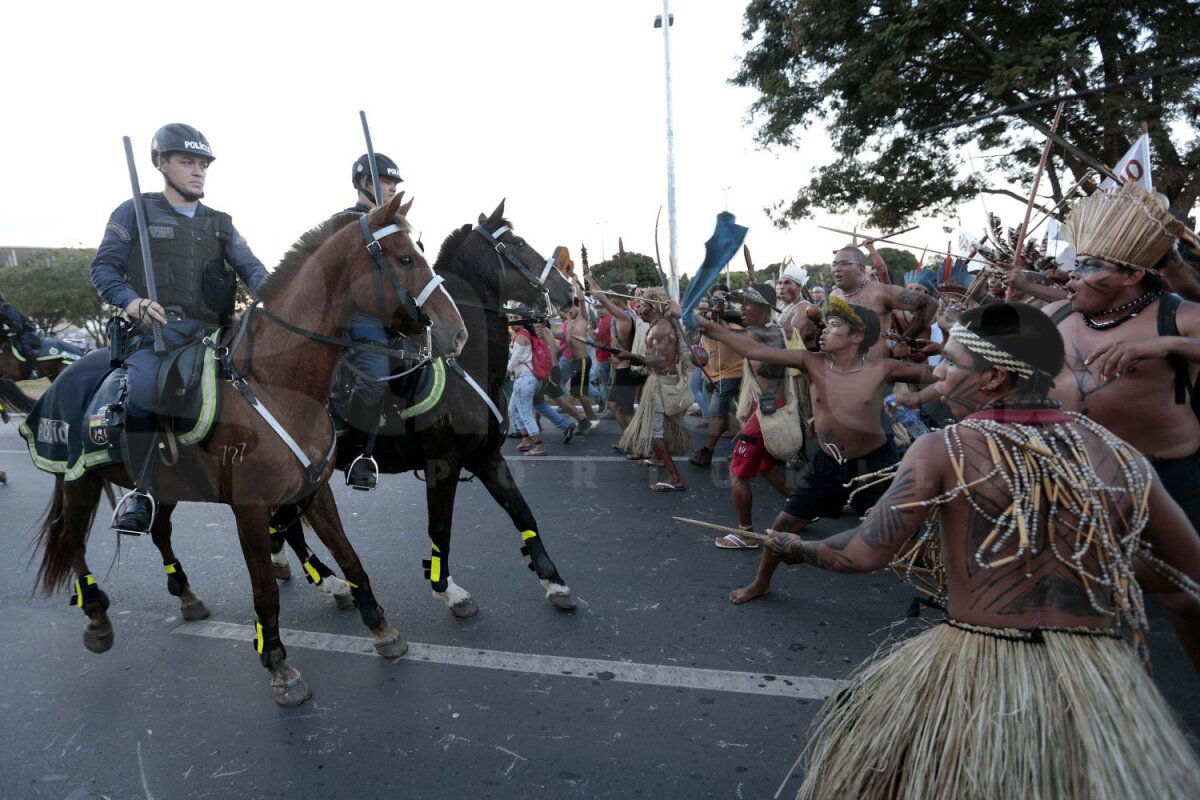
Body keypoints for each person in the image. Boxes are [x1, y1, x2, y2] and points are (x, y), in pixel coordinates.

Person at [769, 302, 1200, 799]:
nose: (941, 374)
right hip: (1095, 686)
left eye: (951, 362)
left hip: (978, 669)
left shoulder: (945, 448)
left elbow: (863, 554)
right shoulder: (1120, 457)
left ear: (994, 377)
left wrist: (796, 548)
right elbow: (1187, 589)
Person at [1043, 182, 1200, 670]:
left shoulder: (1179, 317)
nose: (1073, 276)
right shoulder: (1055, 314)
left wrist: (1168, 346)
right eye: (1078, 263)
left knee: (1186, 597)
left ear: (1133, 272)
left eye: (1090, 266)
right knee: (1072, 591)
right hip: (1075, 473)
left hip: (1165, 475)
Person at [90, 123, 268, 535]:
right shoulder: (133, 211)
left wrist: (274, 294)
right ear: (161, 163)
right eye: (187, 162)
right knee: (146, 391)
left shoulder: (221, 223)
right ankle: (143, 490)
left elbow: (254, 269)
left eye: (202, 164)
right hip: (159, 333)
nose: (198, 171)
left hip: (216, 332)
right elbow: (103, 268)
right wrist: (132, 302)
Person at [694, 296, 932, 601]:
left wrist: (939, 364)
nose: (823, 330)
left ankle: (953, 585)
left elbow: (939, 376)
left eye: (833, 326)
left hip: (873, 468)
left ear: (857, 337)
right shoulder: (811, 361)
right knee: (782, 526)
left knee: (900, 539)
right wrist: (711, 327)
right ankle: (761, 583)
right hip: (827, 465)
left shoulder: (882, 368)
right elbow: (755, 350)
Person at [702, 285, 794, 547]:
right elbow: (726, 321)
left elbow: (716, 332)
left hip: (765, 410)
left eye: (748, 304)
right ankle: (803, 509)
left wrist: (688, 315)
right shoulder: (773, 331)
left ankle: (746, 534)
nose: (743, 308)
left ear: (764, 309)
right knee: (763, 466)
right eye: (742, 304)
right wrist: (718, 313)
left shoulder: (758, 333)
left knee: (738, 473)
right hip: (767, 406)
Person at [341, 152, 403, 489]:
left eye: (394, 182)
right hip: (360, 315)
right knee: (374, 379)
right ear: (365, 183)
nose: (393, 187)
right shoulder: (345, 221)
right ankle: (356, 455)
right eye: (386, 180)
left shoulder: (396, 224)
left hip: (398, 316)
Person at [615, 287, 687, 491]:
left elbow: (660, 360)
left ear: (653, 306)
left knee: (655, 432)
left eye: (642, 305)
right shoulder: (658, 325)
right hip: (659, 380)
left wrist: (630, 357)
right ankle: (658, 458)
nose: (639, 309)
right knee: (658, 426)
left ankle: (675, 478)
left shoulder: (661, 328)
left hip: (661, 382)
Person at [830, 243, 938, 359]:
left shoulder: (880, 292)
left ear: (861, 268)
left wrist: (904, 341)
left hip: (877, 369)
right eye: (834, 264)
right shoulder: (834, 295)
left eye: (844, 264)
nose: (837, 269)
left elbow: (930, 303)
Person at [587, 279, 642, 432]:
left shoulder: (625, 316)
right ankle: (627, 438)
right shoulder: (618, 316)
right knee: (613, 406)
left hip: (626, 370)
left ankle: (637, 443)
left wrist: (592, 282)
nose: (609, 299)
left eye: (613, 296)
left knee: (626, 410)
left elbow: (602, 298)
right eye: (608, 296)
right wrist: (590, 279)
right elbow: (602, 297)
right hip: (619, 369)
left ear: (622, 297)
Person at [506, 321, 547, 457]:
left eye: (515, 317)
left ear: (523, 321)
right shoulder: (524, 334)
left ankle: (539, 446)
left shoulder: (521, 337)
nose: (512, 320)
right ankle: (525, 440)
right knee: (513, 410)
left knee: (526, 414)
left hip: (524, 379)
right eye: (510, 316)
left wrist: (504, 374)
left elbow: (514, 360)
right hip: (527, 379)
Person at [0, 291, 42, 369]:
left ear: (1, 301)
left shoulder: (10, 310)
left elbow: (18, 326)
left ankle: (33, 370)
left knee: (26, 348)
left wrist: (8, 333)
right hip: (15, 332)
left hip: (26, 331)